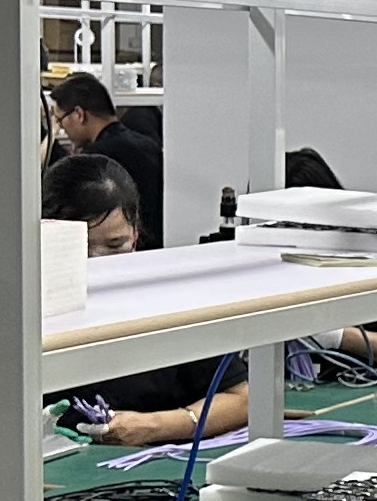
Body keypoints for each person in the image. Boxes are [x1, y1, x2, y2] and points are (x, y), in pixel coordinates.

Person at [42, 158, 248, 445]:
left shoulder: (172, 301)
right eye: (79, 247)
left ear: (135, 234)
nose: (96, 259)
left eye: (115, 245)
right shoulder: (24, 309)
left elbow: (241, 400)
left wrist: (154, 426)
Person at [48, 72, 162, 246]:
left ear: (79, 114)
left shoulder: (95, 163)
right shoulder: (148, 145)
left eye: (60, 120)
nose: (62, 128)